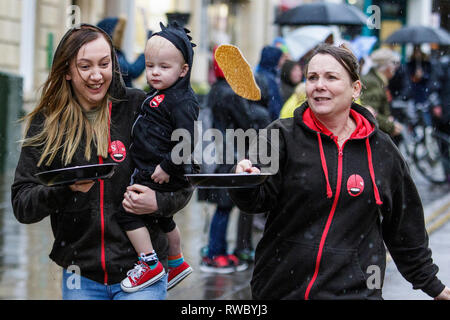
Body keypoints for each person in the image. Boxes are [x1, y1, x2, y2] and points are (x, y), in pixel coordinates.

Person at [229, 43, 450, 300]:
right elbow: (256, 201)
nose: (319, 85)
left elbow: (404, 227)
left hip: (356, 292)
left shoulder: (382, 149)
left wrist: (433, 286)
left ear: (355, 89)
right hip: (282, 290)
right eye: (312, 77)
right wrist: (244, 178)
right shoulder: (280, 135)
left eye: (331, 77)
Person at [10, 24, 193, 300]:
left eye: (104, 64)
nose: (97, 75)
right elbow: (23, 205)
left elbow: (185, 173)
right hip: (80, 275)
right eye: (85, 66)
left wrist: (160, 203)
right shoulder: (48, 121)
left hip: (142, 273)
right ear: (67, 71)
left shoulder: (140, 106)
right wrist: (65, 188)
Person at [117, 22, 199, 292]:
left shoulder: (181, 100)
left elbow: (186, 140)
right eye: (150, 65)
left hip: (159, 169)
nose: (154, 72)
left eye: (164, 67)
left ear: (183, 70)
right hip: (153, 167)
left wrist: (167, 165)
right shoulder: (162, 94)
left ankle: (149, 261)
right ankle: (176, 262)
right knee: (163, 219)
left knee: (127, 212)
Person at [199, 46, 253, 273]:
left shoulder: (214, 90)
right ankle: (215, 254)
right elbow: (246, 122)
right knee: (224, 206)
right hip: (227, 156)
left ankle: (215, 250)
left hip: (213, 155)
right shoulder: (232, 93)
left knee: (221, 207)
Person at [360, 48, 403, 145]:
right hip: (375, 137)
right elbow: (368, 112)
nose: (395, 68)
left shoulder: (378, 81)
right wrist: (390, 126)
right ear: (386, 66)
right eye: (393, 64)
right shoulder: (372, 82)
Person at [97, 17, 147, 88]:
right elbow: (132, 71)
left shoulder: (117, 52)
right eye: (118, 32)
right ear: (108, 33)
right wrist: (145, 53)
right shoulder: (108, 54)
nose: (121, 36)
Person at [255, 45, 285, 121]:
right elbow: (274, 106)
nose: (282, 61)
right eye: (280, 58)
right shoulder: (269, 79)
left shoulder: (261, 74)